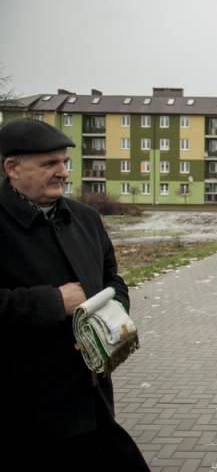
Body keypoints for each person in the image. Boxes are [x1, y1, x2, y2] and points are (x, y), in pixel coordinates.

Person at [0, 119, 149, 471]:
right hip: (24, 411)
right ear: (12, 168)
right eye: (49, 163)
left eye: (65, 162)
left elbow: (113, 279)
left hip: (91, 400)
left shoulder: (85, 219)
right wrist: (52, 302)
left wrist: (114, 313)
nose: (63, 173)